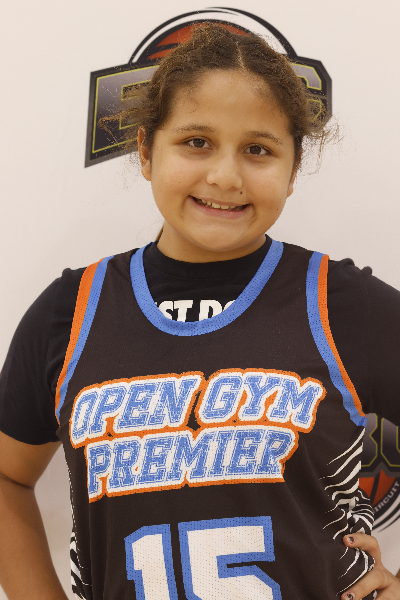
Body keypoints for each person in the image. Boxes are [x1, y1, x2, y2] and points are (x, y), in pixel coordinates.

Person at [0, 23, 399, 600]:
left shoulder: (340, 303)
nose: (224, 177)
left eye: (258, 150)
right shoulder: (73, 311)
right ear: (145, 151)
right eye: (196, 142)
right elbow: (8, 476)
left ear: (293, 170)